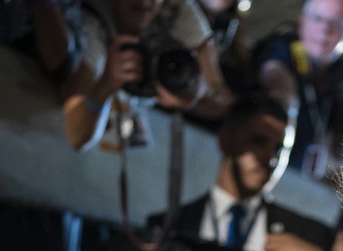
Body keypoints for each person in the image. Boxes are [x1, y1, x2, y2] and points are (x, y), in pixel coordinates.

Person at [144, 91, 343, 251]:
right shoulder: (167, 228)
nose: (269, 158)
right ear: (225, 140)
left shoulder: (310, 235)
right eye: (258, 141)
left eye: (278, 150)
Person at [62, 0, 232, 151]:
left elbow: (223, 101)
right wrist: (107, 84)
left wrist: (195, 93)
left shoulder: (179, 8)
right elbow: (77, 136)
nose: (145, 2)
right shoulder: (93, 21)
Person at [254, 0, 343, 179]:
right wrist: (283, 104)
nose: (324, 30)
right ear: (302, 21)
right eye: (317, 19)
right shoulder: (282, 48)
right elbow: (276, 78)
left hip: (304, 182)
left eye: (335, 24)